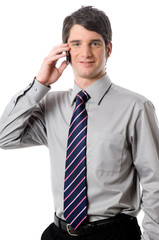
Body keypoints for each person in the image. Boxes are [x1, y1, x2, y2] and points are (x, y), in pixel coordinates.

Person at [0, 5, 159, 240]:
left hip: (114, 234)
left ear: (108, 48)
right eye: (76, 43)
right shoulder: (50, 104)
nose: (85, 52)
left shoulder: (136, 107)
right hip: (58, 233)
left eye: (94, 43)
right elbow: (5, 137)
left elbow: (154, 180)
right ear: (66, 50)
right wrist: (40, 84)